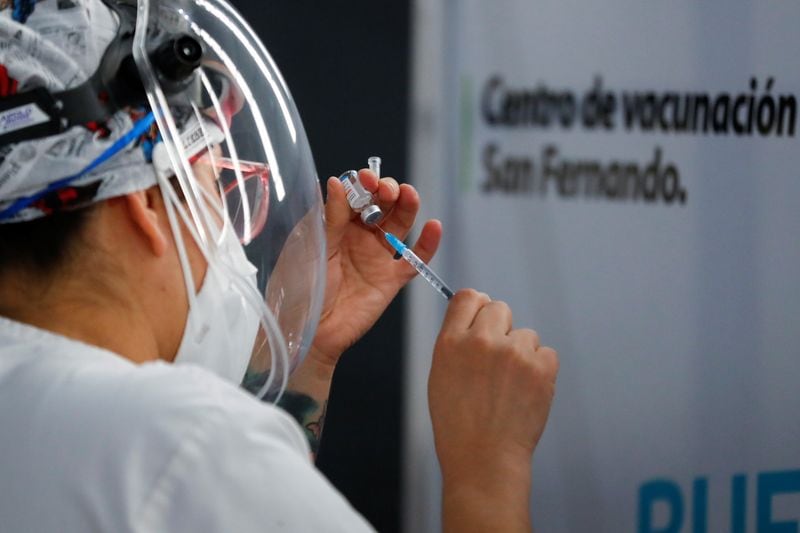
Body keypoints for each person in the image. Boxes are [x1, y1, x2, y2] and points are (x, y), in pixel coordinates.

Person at [0, 0, 558, 531]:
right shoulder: (181, 447)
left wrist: (306, 356)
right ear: (142, 206)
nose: (225, 233)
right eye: (213, 184)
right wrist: (488, 472)